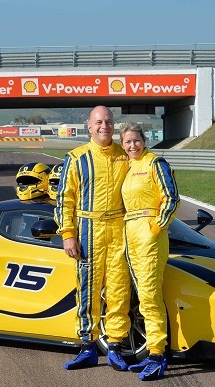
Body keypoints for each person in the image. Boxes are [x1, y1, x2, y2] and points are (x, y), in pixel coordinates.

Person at [54, 106, 131, 371]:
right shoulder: (76, 158)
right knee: (87, 291)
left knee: (119, 291)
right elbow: (65, 199)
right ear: (89, 126)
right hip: (88, 229)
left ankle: (116, 347)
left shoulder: (126, 156)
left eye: (109, 122)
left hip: (120, 230)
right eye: (98, 122)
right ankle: (87, 347)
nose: (104, 126)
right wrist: (68, 235)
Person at [119, 122, 180, 381]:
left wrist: (156, 227)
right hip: (129, 233)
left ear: (144, 140)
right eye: (127, 142)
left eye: (136, 140)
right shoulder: (129, 166)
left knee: (149, 296)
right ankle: (152, 354)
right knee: (140, 295)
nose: (133, 145)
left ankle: (157, 355)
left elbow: (172, 197)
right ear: (122, 145)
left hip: (149, 233)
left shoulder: (156, 163)